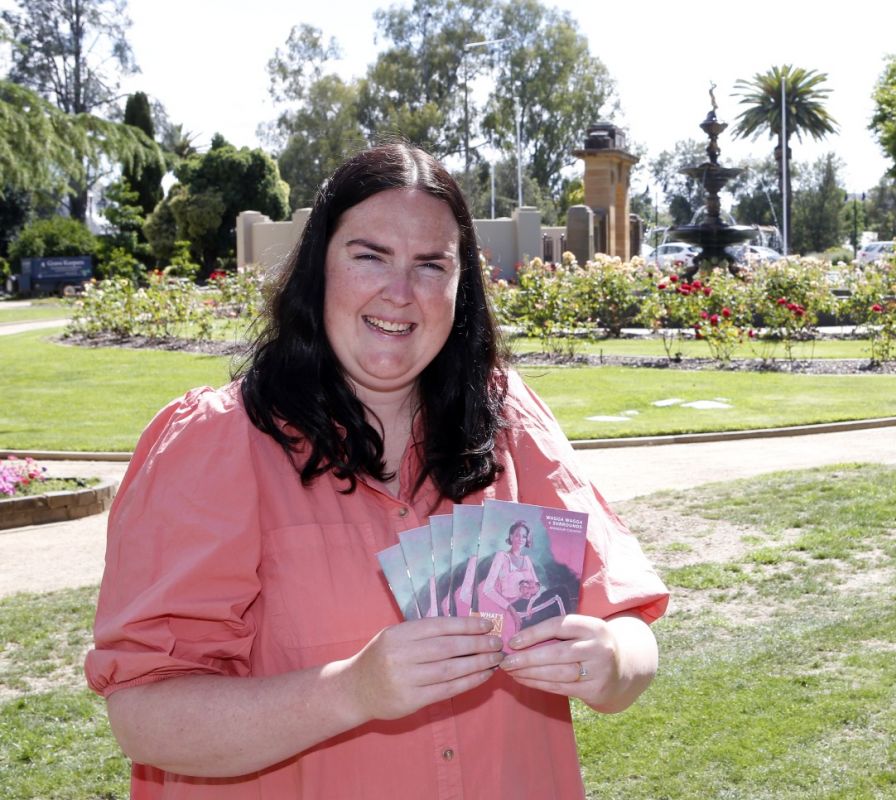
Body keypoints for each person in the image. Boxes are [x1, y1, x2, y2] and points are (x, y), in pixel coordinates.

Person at [84, 142, 669, 799]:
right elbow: (144, 718)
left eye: (430, 265)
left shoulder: (510, 422)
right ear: (319, 269)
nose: (400, 293)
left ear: (460, 285)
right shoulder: (217, 446)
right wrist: (352, 691)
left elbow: (628, 624)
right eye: (370, 257)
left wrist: (614, 662)